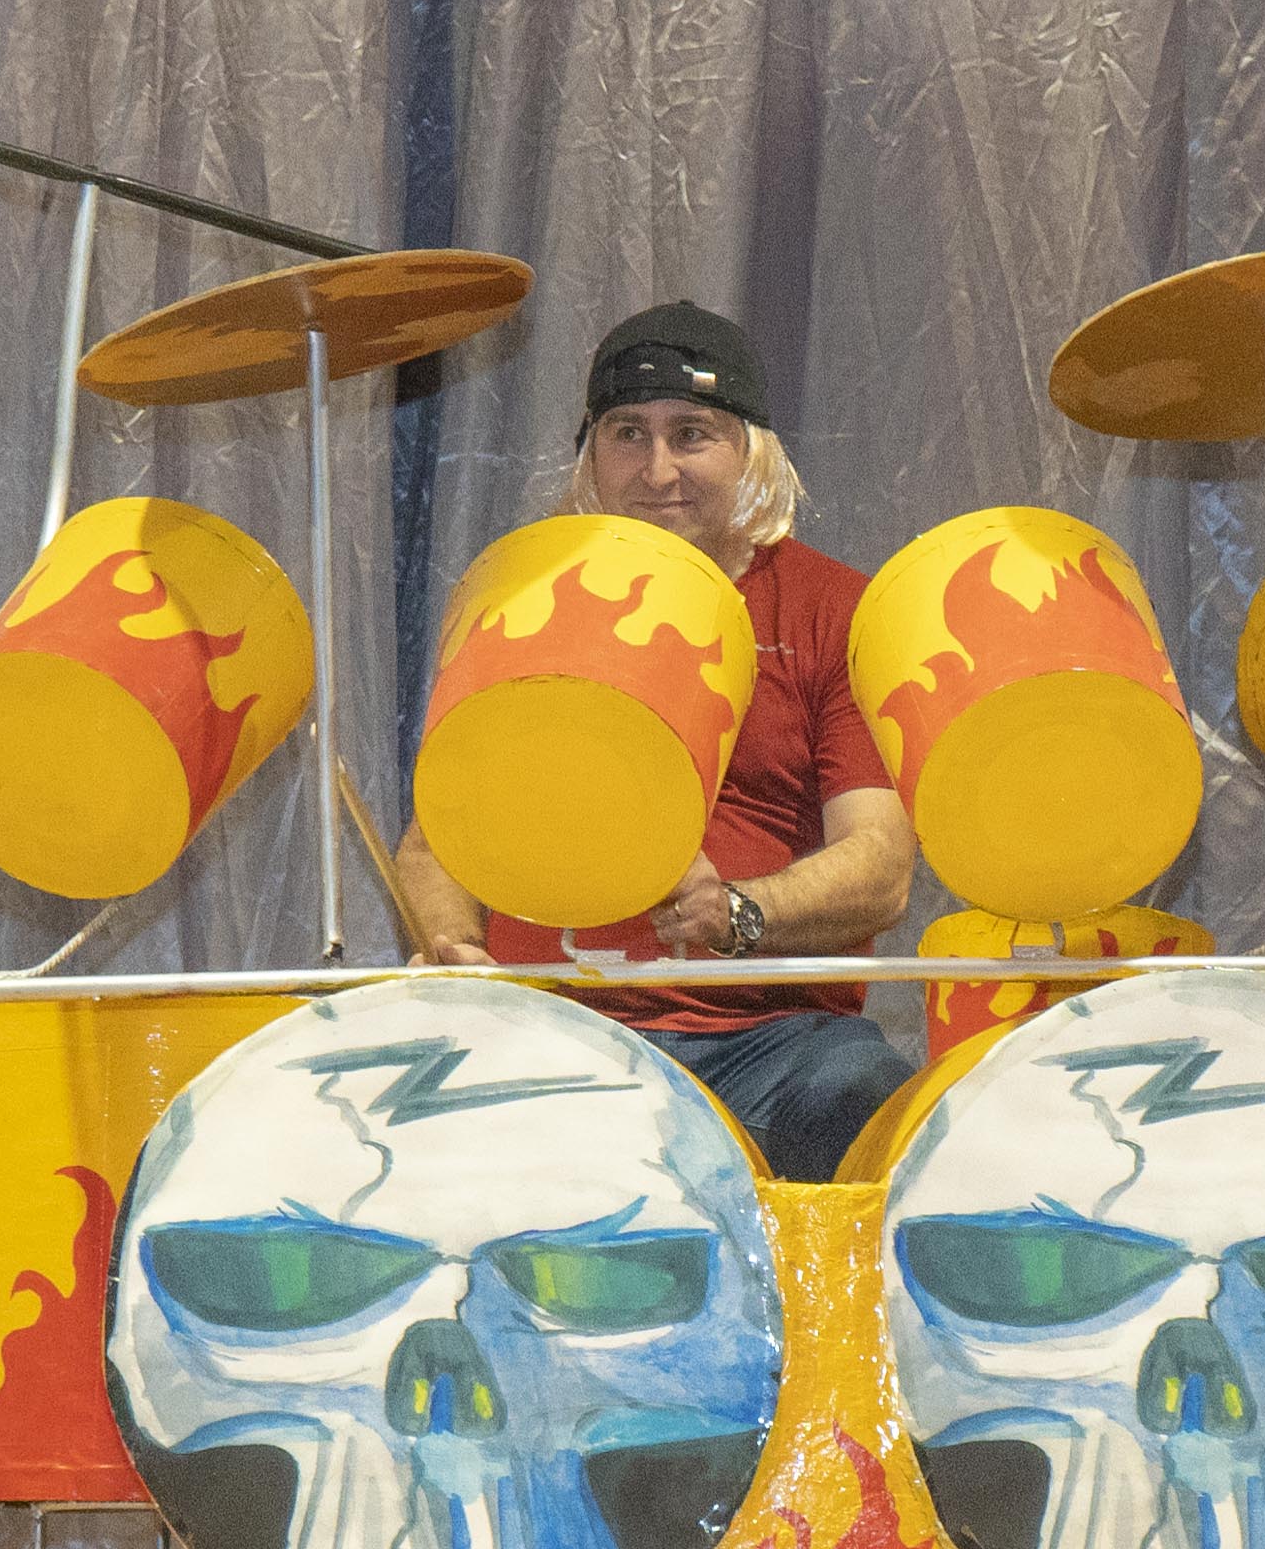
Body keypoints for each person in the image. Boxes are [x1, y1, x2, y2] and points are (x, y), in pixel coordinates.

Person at [391, 303, 919, 1179]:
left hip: (770, 1041)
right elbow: (433, 841)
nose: (657, 468)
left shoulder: (835, 608)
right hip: (549, 1025)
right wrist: (455, 948)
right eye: (628, 432)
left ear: (752, 453)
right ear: (590, 454)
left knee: (869, 1106)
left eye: (692, 434)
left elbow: (882, 865)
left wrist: (739, 913)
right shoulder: (526, 591)